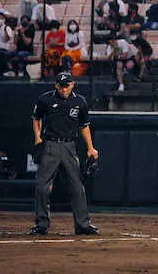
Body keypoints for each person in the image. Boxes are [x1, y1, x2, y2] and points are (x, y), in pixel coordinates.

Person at [29, 72, 99, 235]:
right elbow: (36, 118)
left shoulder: (79, 101)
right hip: (51, 145)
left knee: (77, 186)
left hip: (69, 146)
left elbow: (84, 126)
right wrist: (38, 139)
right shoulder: (45, 99)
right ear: (56, 85)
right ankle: (42, 224)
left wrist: (90, 147)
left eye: (67, 85)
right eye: (61, 85)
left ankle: (82, 225)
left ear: (72, 84)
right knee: (42, 186)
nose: (64, 89)